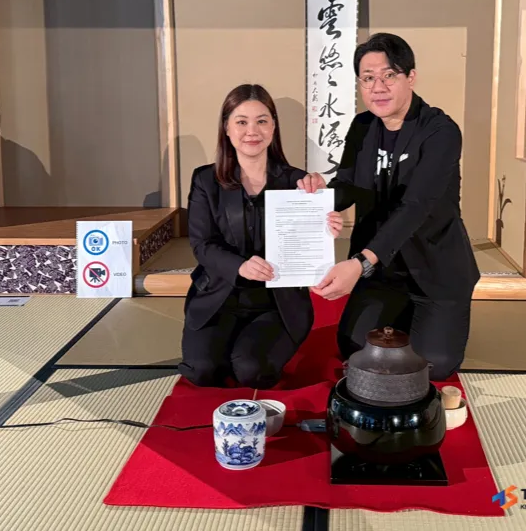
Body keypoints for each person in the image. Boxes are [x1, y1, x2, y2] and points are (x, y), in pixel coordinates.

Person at [298, 33, 480, 381]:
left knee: (433, 364)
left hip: (434, 270)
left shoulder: (440, 132)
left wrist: (361, 263)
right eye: (368, 78)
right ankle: (404, 315)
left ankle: (432, 319)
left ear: (410, 77)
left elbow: (416, 206)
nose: (377, 87)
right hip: (385, 272)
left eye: (389, 75)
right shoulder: (363, 126)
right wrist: (318, 197)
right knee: (353, 347)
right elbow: (348, 185)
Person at [180, 84, 344, 389]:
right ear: (226, 128)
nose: (252, 131)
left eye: (262, 121)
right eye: (241, 121)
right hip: (219, 295)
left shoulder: (299, 182)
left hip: (276, 303)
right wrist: (239, 266)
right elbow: (202, 245)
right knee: (202, 371)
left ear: (273, 127)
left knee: (252, 371)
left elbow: (306, 240)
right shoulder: (205, 179)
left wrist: (326, 228)